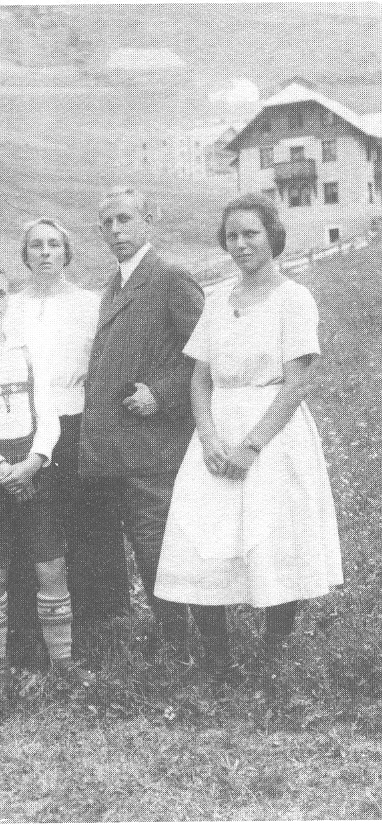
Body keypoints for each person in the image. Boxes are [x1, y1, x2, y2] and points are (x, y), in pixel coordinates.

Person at [154, 193, 343, 682]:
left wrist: (251, 446)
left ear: (272, 236)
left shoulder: (293, 298)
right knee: (200, 537)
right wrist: (211, 440)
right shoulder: (217, 300)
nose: (240, 245)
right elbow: (199, 377)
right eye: (232, 236)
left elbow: (298, 379)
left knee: (275, 537)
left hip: (272, 433)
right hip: (216, 433)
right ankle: (217, 656)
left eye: (250, 234)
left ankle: (272, 648)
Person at [0, 262, 95, 700]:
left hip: (34, 468)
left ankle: (63, 661)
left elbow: (48, 415)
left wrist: (36, 459)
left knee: (51, 564)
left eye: (0, 293)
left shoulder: (29, 351)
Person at [79, 186, 205, 661]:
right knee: (140, 550)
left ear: (149, 221)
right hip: (114, 451)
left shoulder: (170, 278)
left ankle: (187, 647)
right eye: (107, 223)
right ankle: (175, 639)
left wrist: (163, 393)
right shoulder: (113, 284)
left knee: (159, 549)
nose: (116, 231)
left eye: (125, 220)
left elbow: (208, 356)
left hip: (153, 449)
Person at [5, 218, 130, 659]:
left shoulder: (89, 304)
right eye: (35, 245)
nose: (44, 252)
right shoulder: (10, 307)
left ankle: (96, 620)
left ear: (66, 253)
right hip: (25, 427)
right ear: (25, 255)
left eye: (53, 245)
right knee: (30, 523)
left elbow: (106, 363)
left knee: (85, 519)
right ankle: (28, 620)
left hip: (77, 421)